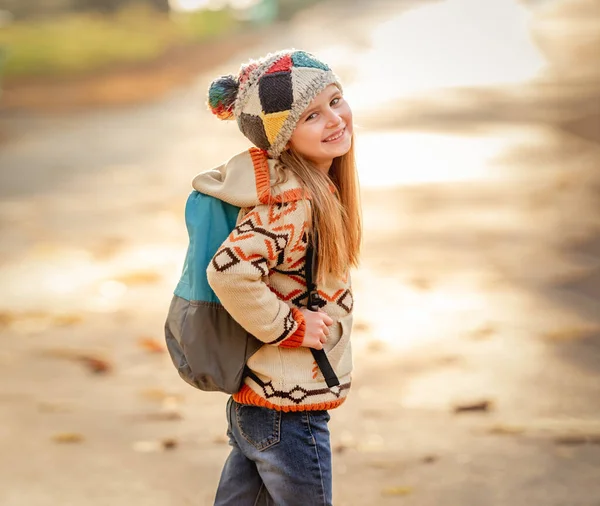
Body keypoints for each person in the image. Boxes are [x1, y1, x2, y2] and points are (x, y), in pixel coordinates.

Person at [197, 48, 362, 506]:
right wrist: (291, 325)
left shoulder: (305, 188)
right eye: (311, 115)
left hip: (260, 400)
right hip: (289, 409)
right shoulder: (293, 205)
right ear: (283, 139)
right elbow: (229, 272)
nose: (334, 118)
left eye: (335, 100)